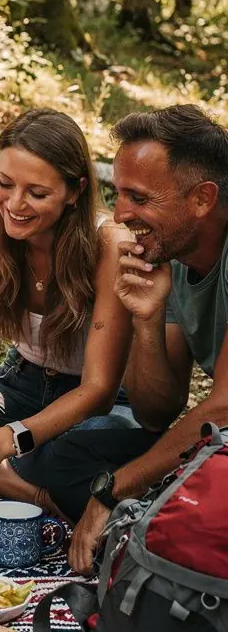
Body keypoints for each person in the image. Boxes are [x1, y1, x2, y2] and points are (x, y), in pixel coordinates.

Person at [0, 108, 157, 519]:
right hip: (20, 384)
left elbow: (98, 389)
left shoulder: (109, 247)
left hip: (101, 403)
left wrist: (7, 440)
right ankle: (39, 496)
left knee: (71, 449)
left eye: (37, 193)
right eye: (5, 184)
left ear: (75, 191)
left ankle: (0, 473)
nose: (15, 204)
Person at [69, 105, 228, 573]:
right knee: (75, 451)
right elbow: (156, 412)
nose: (120, 215)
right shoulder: (176, 251)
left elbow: (222, 407)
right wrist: (147, 318)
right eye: (118, 195)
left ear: (202, 198)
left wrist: (112, 489)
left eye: (138, 198)